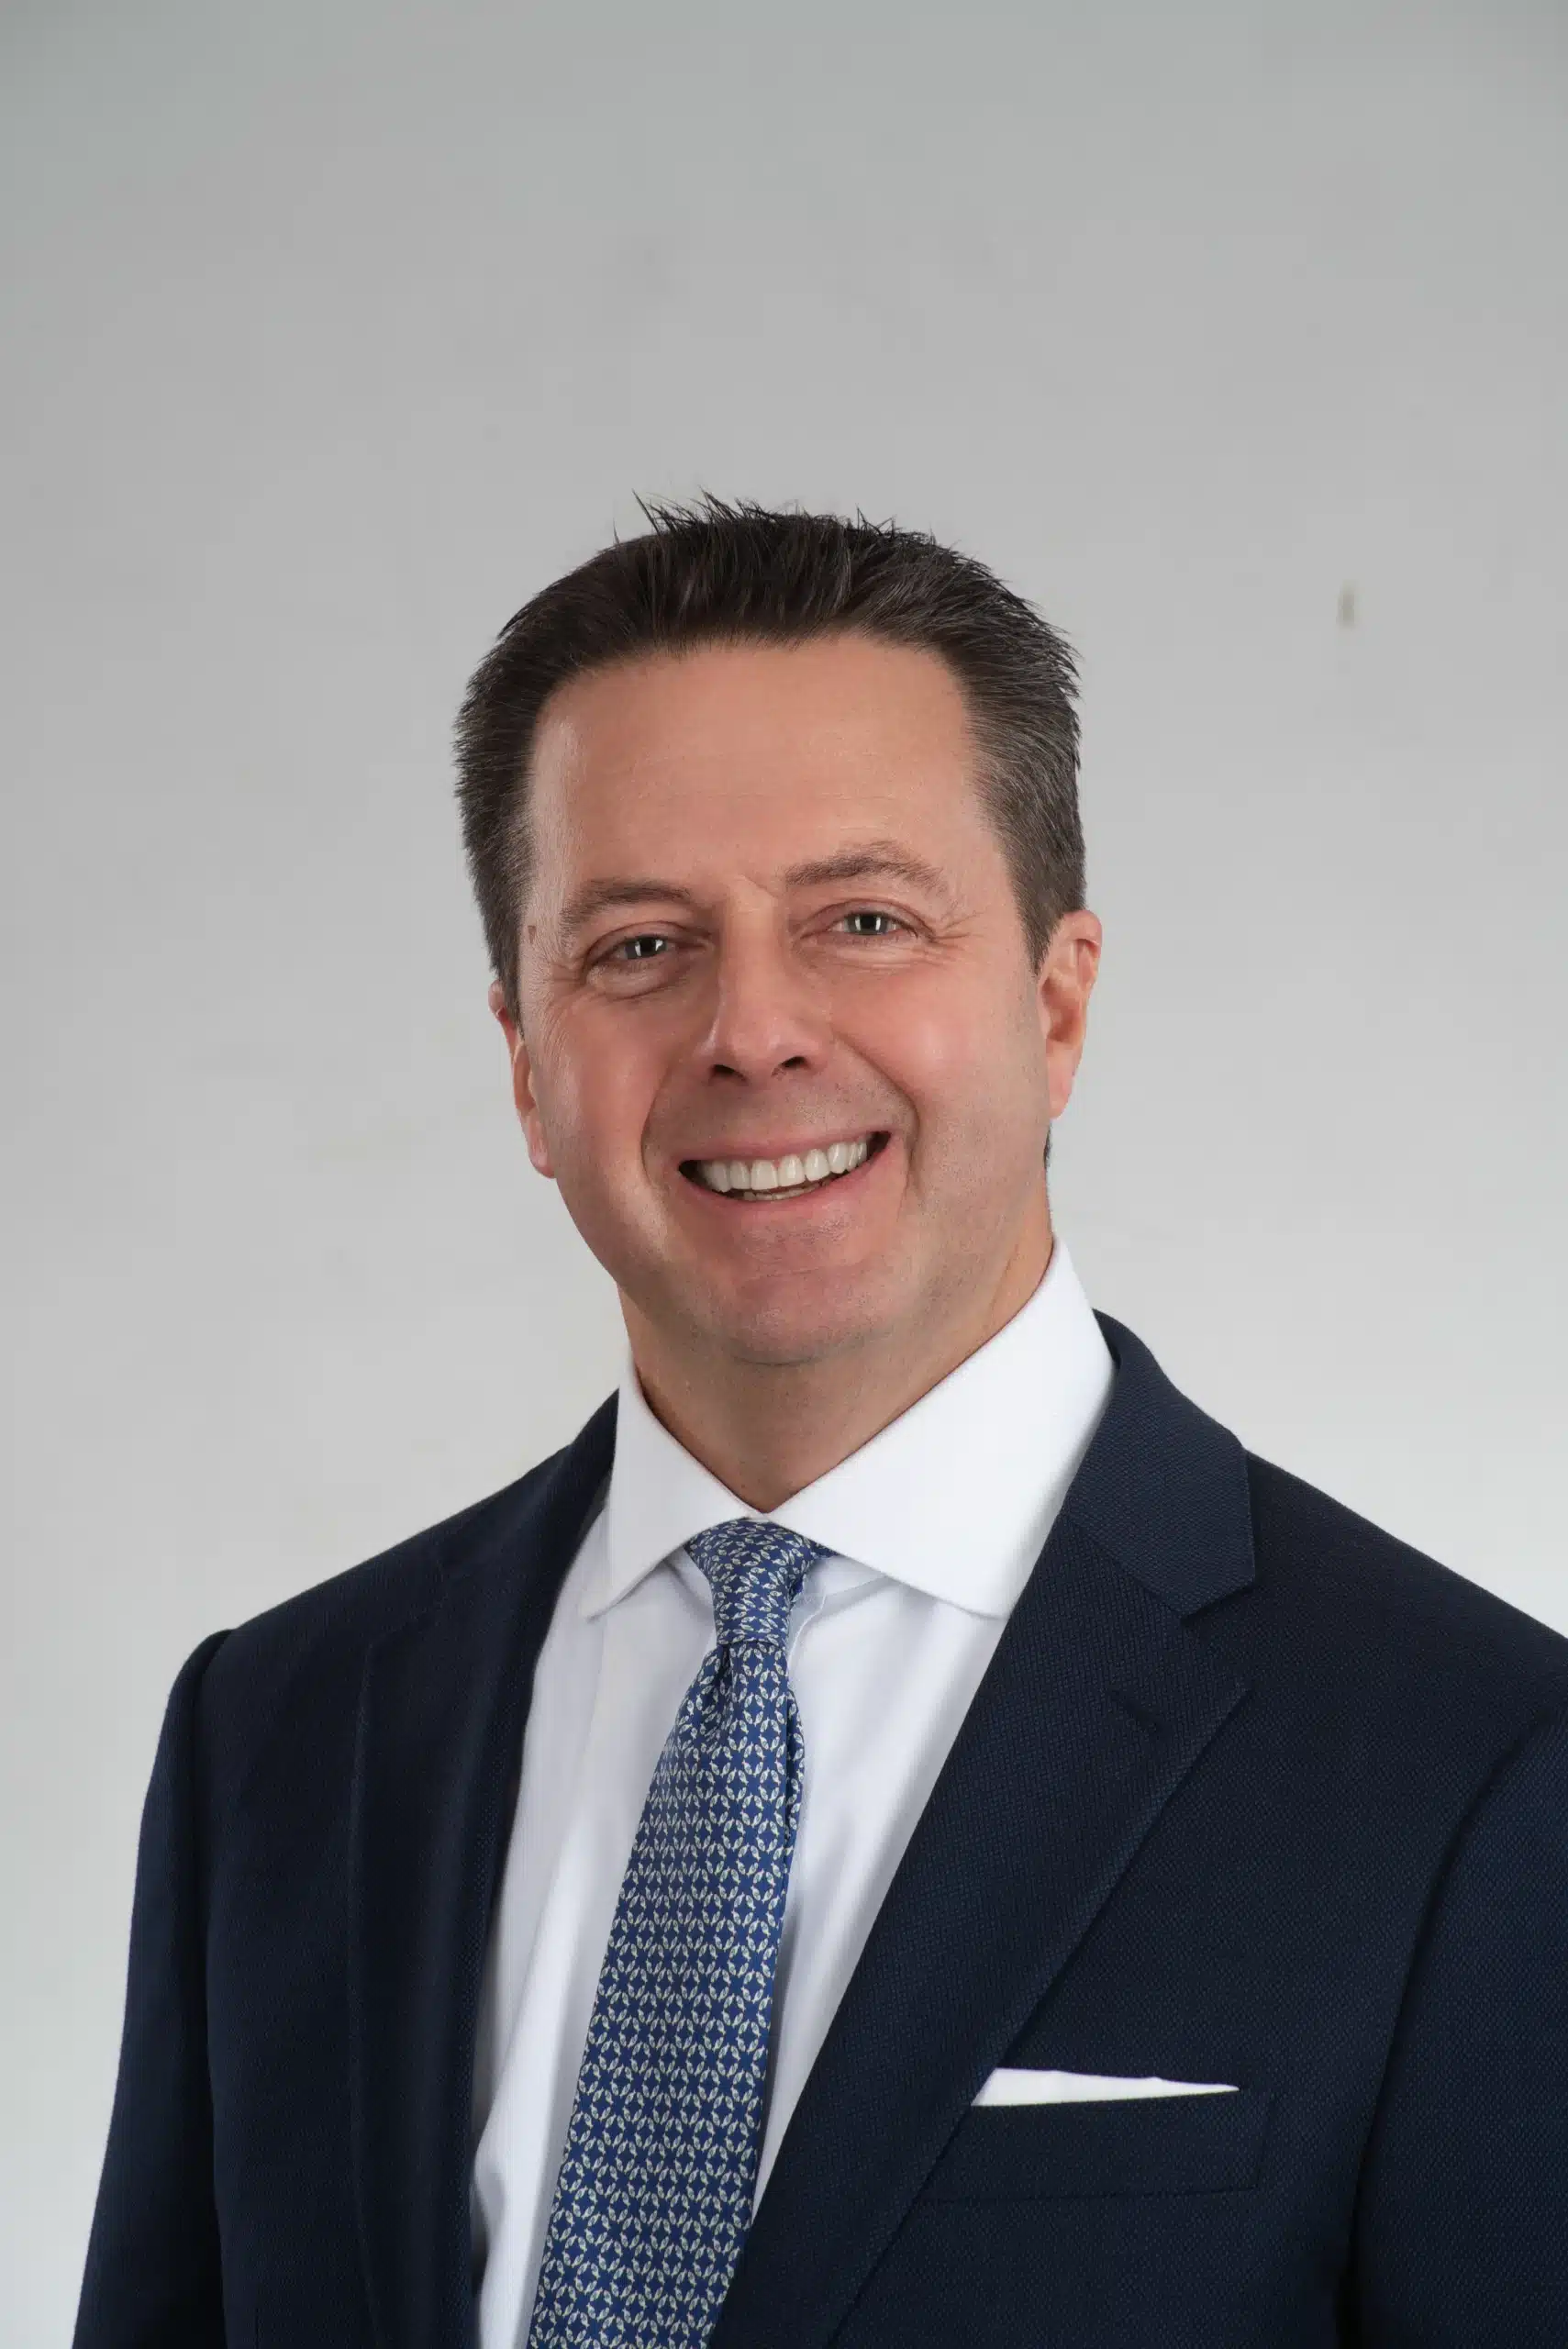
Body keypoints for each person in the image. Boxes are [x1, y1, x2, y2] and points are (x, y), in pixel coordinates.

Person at [74, 496, 1568, 2349]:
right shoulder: (280, 1737)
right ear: (526, 1062)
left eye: (863, 920)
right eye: (639, 946)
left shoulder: (1477, 1774)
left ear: (1055, 1005)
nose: (753, 1030)